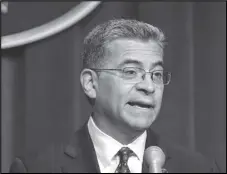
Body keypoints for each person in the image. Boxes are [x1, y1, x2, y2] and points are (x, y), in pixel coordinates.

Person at [9, 19, 220, 173]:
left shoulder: (200, 168)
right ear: (91, 83)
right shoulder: (37, 168)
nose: (148, 86)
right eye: (130, 72)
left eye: (156, 74)